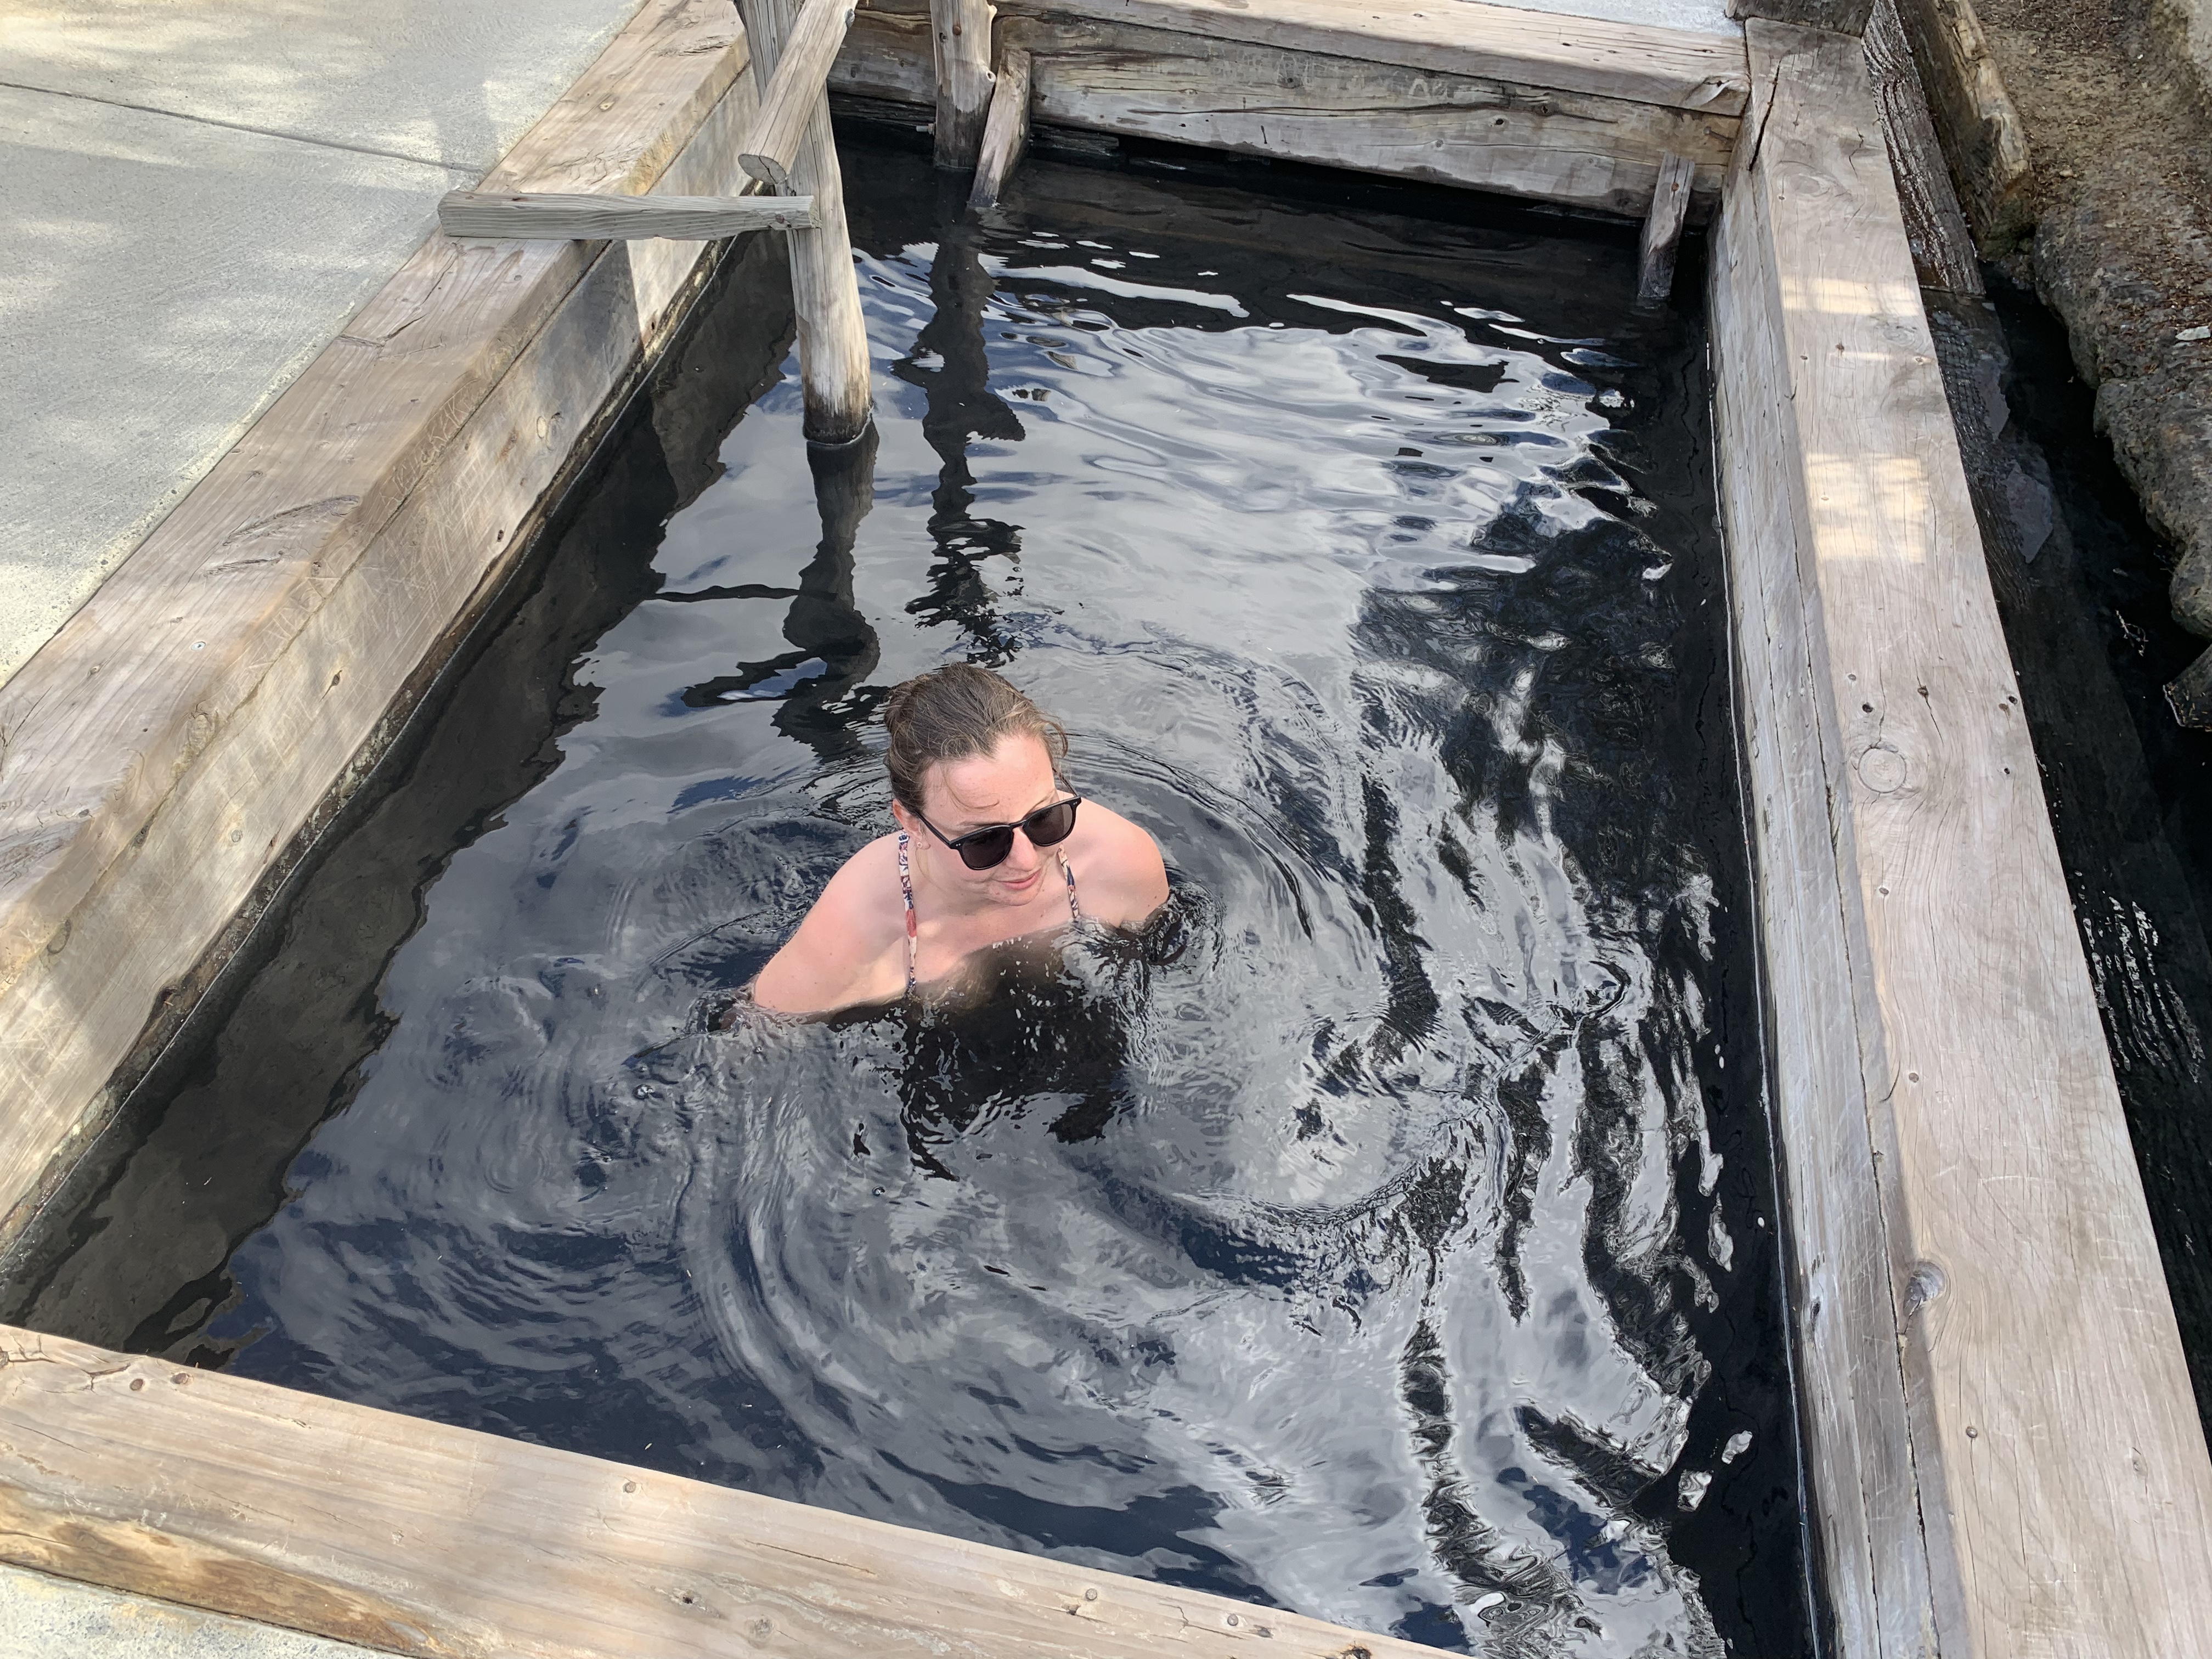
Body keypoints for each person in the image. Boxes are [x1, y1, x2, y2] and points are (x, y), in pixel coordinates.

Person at [751, 664, 1170, 1014]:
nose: (1026, 861)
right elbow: (750, 1044)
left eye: (1046, 819)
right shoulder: (857, 934)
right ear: (912, 824)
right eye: (985, 842)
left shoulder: (1117, 861)